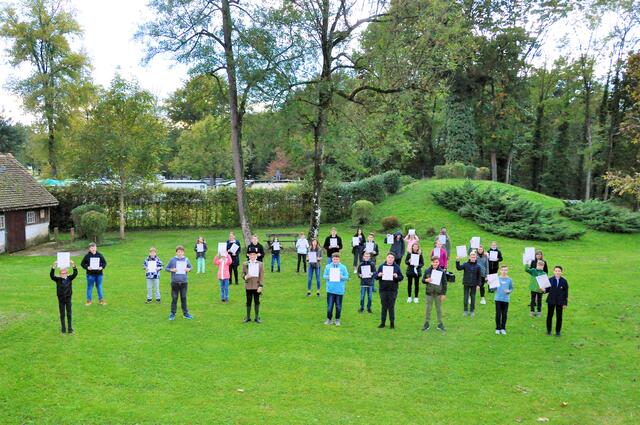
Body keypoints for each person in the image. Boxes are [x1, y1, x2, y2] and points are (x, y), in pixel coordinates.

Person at [376, 253, 404, 329]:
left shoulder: (397, 267)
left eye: (392, 257)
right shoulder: (382, 266)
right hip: (383, 290)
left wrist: (397, 276)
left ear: (394, 259)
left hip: (393, 290)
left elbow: (401, 277)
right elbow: (376, 276)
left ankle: (392, 323)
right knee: (384, 306)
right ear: (386, 258)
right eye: (389, 257)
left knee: (391, 307)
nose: (390, 259)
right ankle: (382, 323)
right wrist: (379, 275)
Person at [49, 260, 78, 334]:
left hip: (68, 299)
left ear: (67, 273)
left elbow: (75, 273)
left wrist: (73, 265)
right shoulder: (58, 279)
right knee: (62, 314)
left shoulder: (69, 278)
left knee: (69, 314)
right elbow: (51, 275)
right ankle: (63, 329)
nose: (63, 274)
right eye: (62, 273)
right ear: (60, 274)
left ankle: (70, 329)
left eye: (65, 273)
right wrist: (54, 267)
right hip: (61, 300)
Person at [165, 246, 193, 320]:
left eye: (181, 251)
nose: (180, 253)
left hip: (184, 282)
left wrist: (188, 269)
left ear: (183, 252)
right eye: (178, 252)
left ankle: (185, 313)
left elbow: (191, 268)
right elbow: (166, 268)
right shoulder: (172, 260)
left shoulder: (186, 259)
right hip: (175, 282)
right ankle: (172, 314)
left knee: (183, 298)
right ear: (176, 252)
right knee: (174, 298)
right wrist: (172, 269)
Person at [322, 253, 349, 326]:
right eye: (334, 259)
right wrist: (329, 276)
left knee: (338, 306)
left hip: (339, 290)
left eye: (337, 259)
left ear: (339, 259)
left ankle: (337, 320)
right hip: (330, 290)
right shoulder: (328, 266)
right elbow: (324, 276)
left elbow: (347, 277)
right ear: (332, 259)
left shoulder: (343, 267)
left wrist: (341, 277)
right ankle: (329, 319)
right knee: (329, 306)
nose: (335, 260)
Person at [421, 256, 447, 332]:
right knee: (428, 309)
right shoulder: (427, 271)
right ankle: (426, 323)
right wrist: (426, 280)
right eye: (434, 262)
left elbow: (444, 283)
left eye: (437, 262)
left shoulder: (442, 271)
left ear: (438, 263)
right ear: (431, 262)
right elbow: (423, 280)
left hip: (438, 294)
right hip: (429, 293)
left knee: (439, 309)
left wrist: (443, 294)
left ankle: (440, 324)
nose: (435, 263)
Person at [542, 266, 569, 336]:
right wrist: (543, 290)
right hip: (551, 301)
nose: (557, 272)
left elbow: (566, 293)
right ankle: (548, 330)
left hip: (560, 302)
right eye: (556, 271)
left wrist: (565, 303)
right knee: (549, 316)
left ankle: (558, 331)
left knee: (559, 317)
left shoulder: (564, 281)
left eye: (559, 271)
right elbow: (547, 290)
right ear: (554, 272)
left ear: (561, 272)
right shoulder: (550, 280)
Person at [456, 251, 482, 317]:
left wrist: (479, 285)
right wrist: (457, 261)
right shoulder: (465, 264)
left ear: (476, 258)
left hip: (474, 285)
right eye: (472, 257)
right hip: (466, 284)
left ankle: (472, 311)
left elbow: (479, 277)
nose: (473, 258)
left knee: (473, 297)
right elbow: (458, 268)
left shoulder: (478, 266)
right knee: (466, 297)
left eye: (474, 257)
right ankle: (465, 310)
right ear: (469, 257)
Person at [242, 251, 264, 323]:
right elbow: (242, 274)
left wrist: (260, 286)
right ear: (249, 255)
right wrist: (245, 277)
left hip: (256, 286)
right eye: (251, 255)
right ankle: (248, 317)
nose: (252, 256)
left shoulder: (260, 264)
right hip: (248, 286)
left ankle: (257, 317)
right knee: (248, 301)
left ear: (256, 255)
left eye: (254, 254)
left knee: (257, 301)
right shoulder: (245, 264)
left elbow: (261, 276)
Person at [494, 265, 513, 335]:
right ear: (500, 270)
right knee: (498, 314)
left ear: (507, 271)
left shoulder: (509, 279)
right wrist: (490, 284)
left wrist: (509, 291)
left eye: (505, 270)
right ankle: (497, 328)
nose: (504, 271)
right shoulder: (497, 279)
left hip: (506, 300)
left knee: (504, 314)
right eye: (503, 270)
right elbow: (493, 289)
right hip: (498, 299)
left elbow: (511, 288)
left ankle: (503, 328)